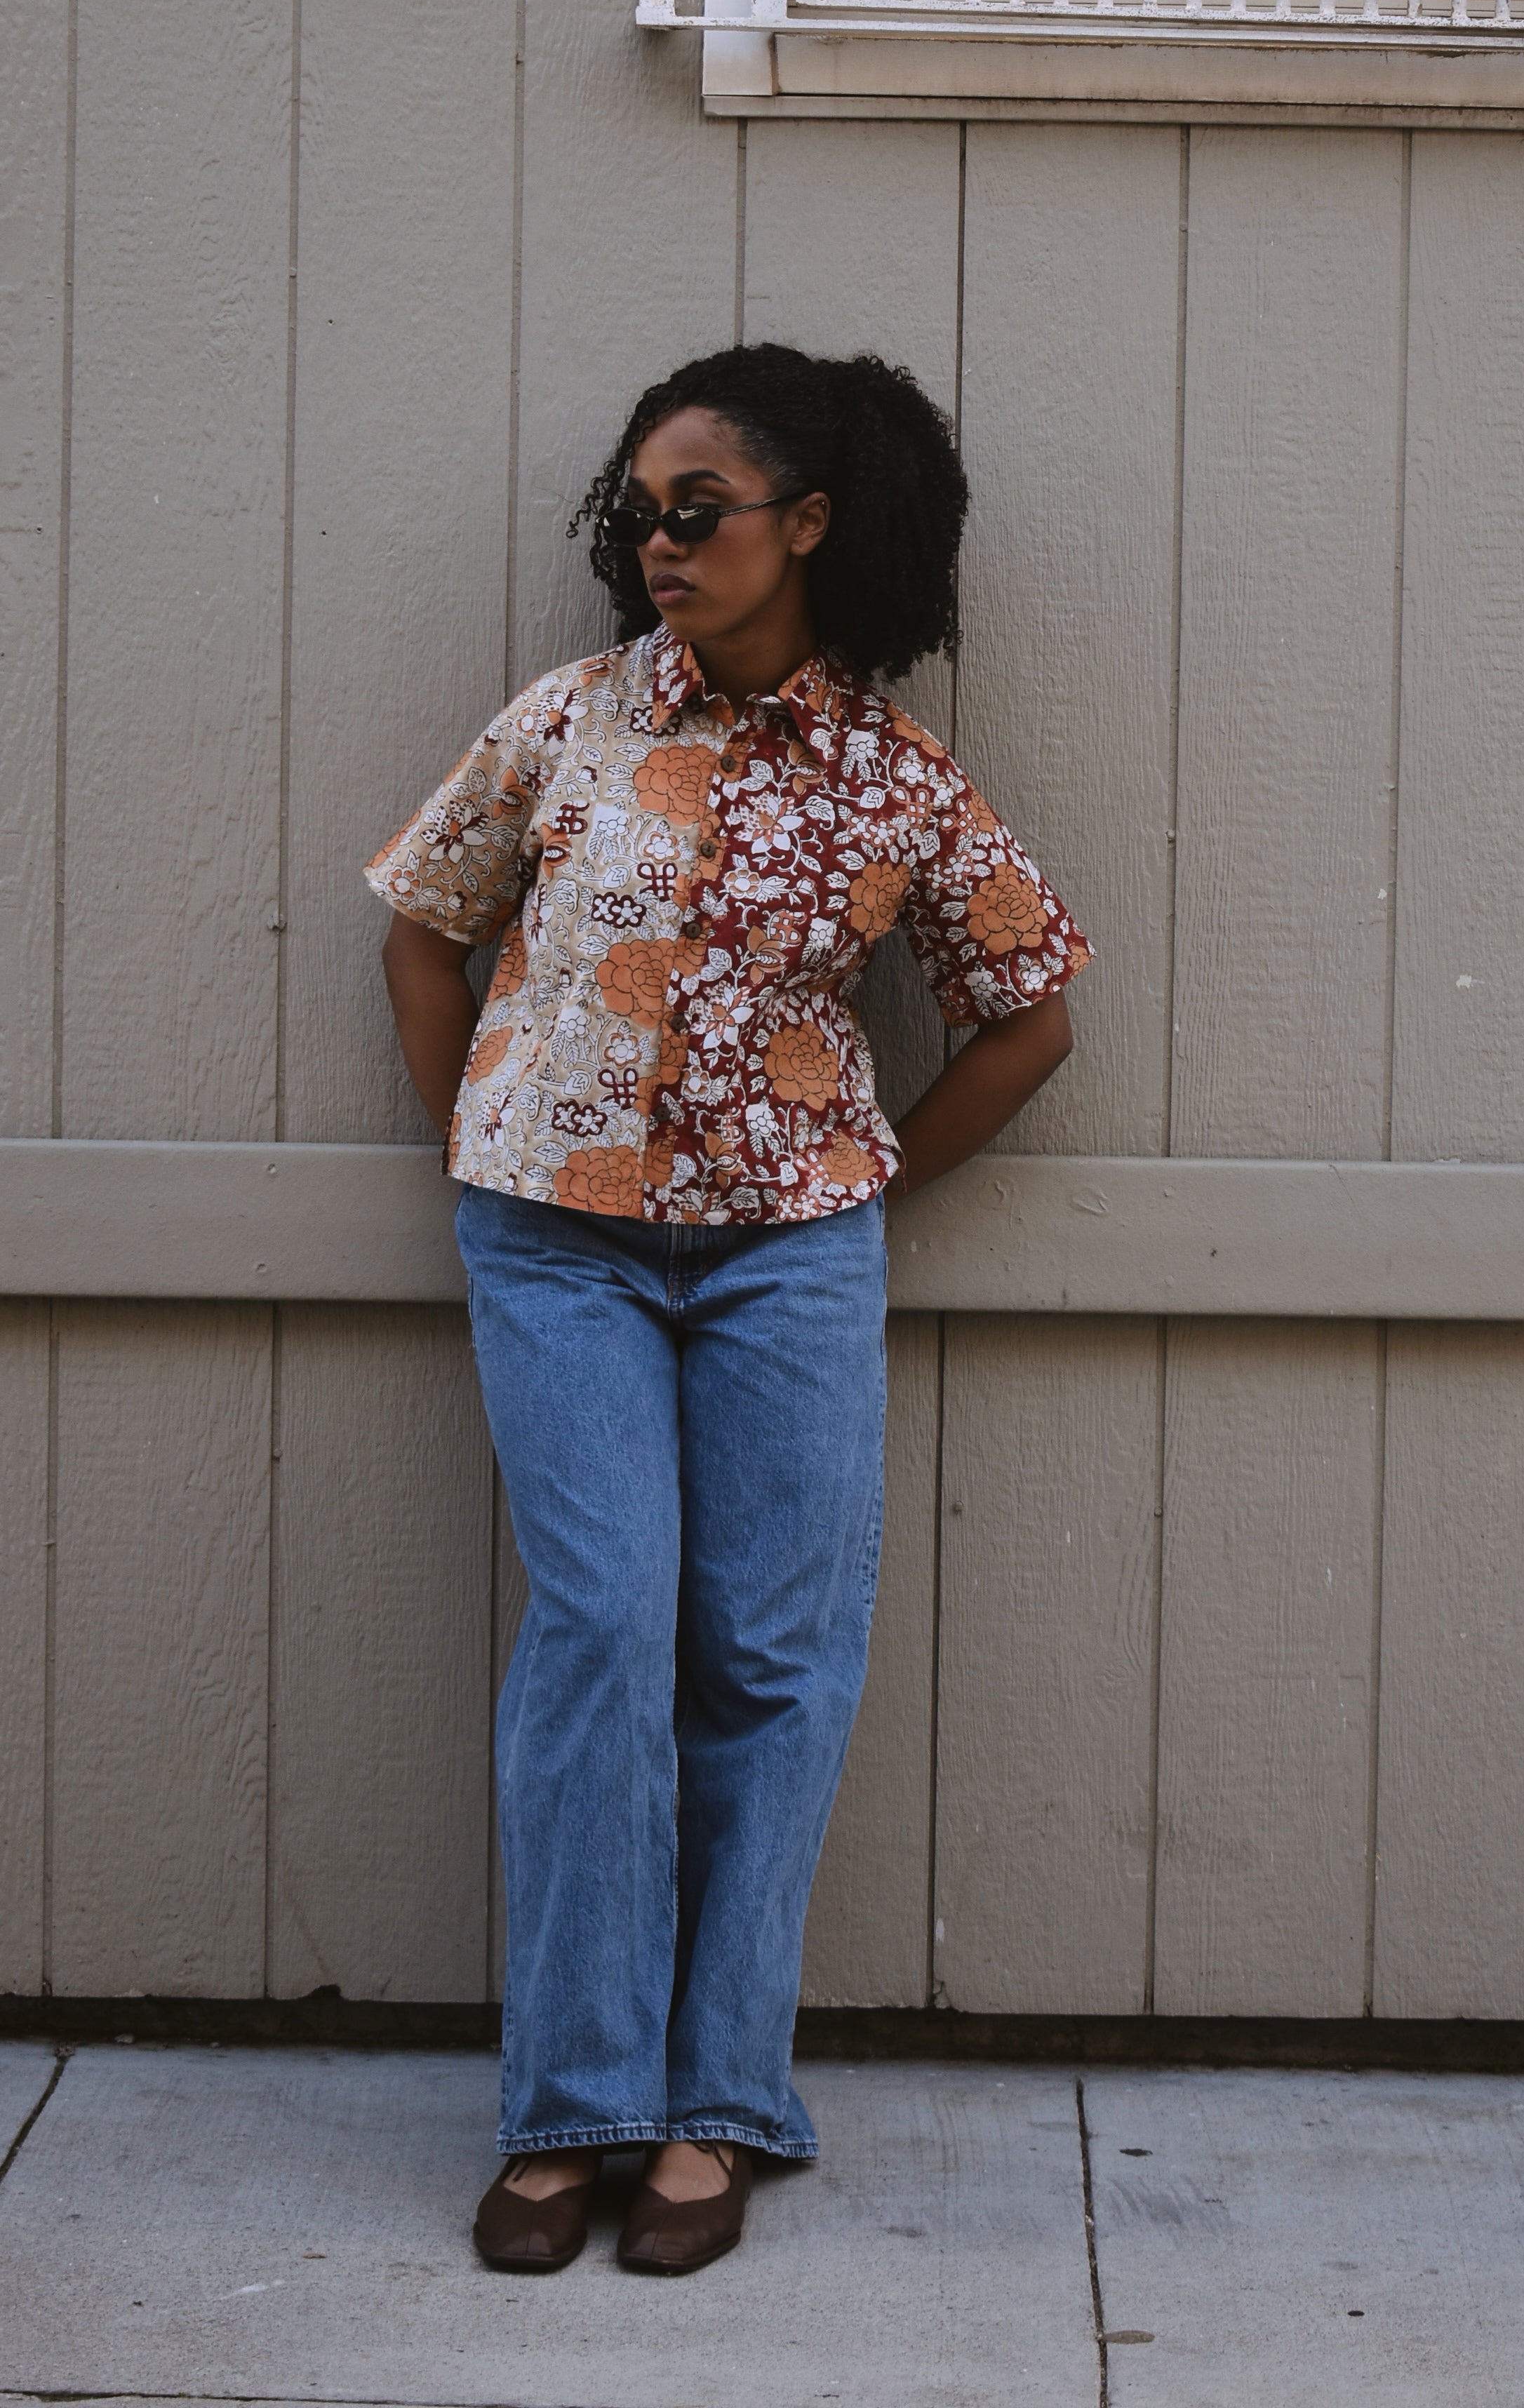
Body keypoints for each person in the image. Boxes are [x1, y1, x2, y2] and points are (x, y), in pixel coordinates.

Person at [370, 342, 1090, 2277]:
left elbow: (1029, 1019)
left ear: (813, 523)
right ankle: (573, 2108)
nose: (660, 544)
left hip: (789, 1257)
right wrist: (488, 1139)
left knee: (770, 1659)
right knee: (604, 1628)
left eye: (698, 510)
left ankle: (717, 2107)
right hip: (559, 1247)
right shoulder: (569, 719)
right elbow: (428, 935)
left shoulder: (895, 780)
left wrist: (865, 1185)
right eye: (639, 514)